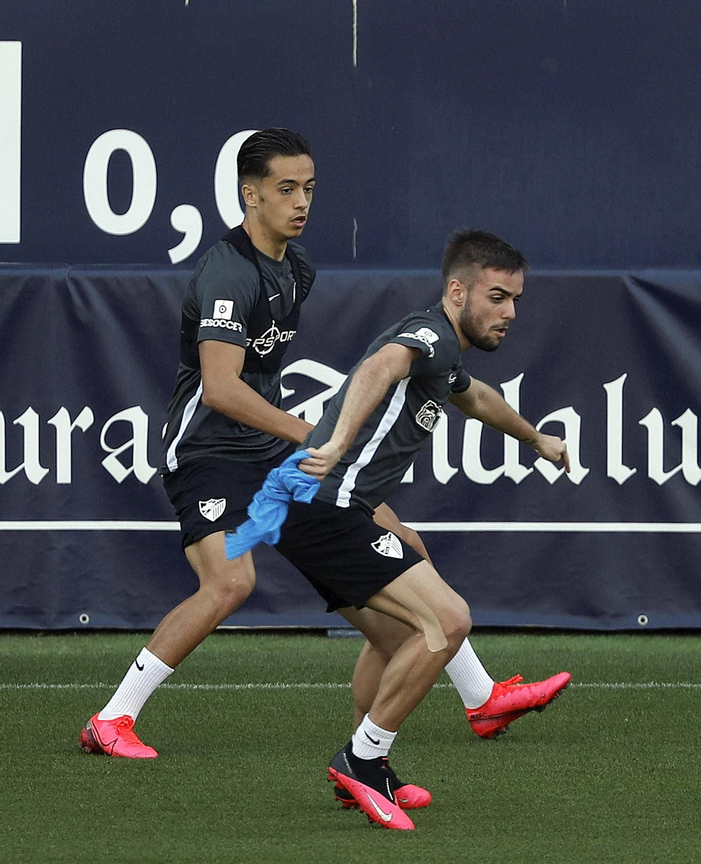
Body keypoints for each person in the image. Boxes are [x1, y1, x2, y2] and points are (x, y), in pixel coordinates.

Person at [79, 129, 560, 761]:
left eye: (308, 188)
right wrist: (312, 434)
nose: (301, 201)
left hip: (263, 450)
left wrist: (531, 437)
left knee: (398, 554)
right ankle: (112, 718)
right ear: (250, 196)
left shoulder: (296, 269)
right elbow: (221, 388)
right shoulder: (229, 272)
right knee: (230, 583)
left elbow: (463, 393)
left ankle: (471, 701)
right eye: (285, 189)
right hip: (206, 452)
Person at [252, 229, 568, 830]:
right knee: (447, 621)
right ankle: (363, 760)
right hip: (326, 507)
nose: (509, 313)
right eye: (497, 297)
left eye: (516, 300)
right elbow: (380, 365)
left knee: (400, 637)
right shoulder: (427, 334)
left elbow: (475, 399)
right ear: (457, 291)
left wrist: (537, 439)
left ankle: (366, 773)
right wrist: (339, 438)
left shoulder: (446, 354)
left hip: (310, 508)